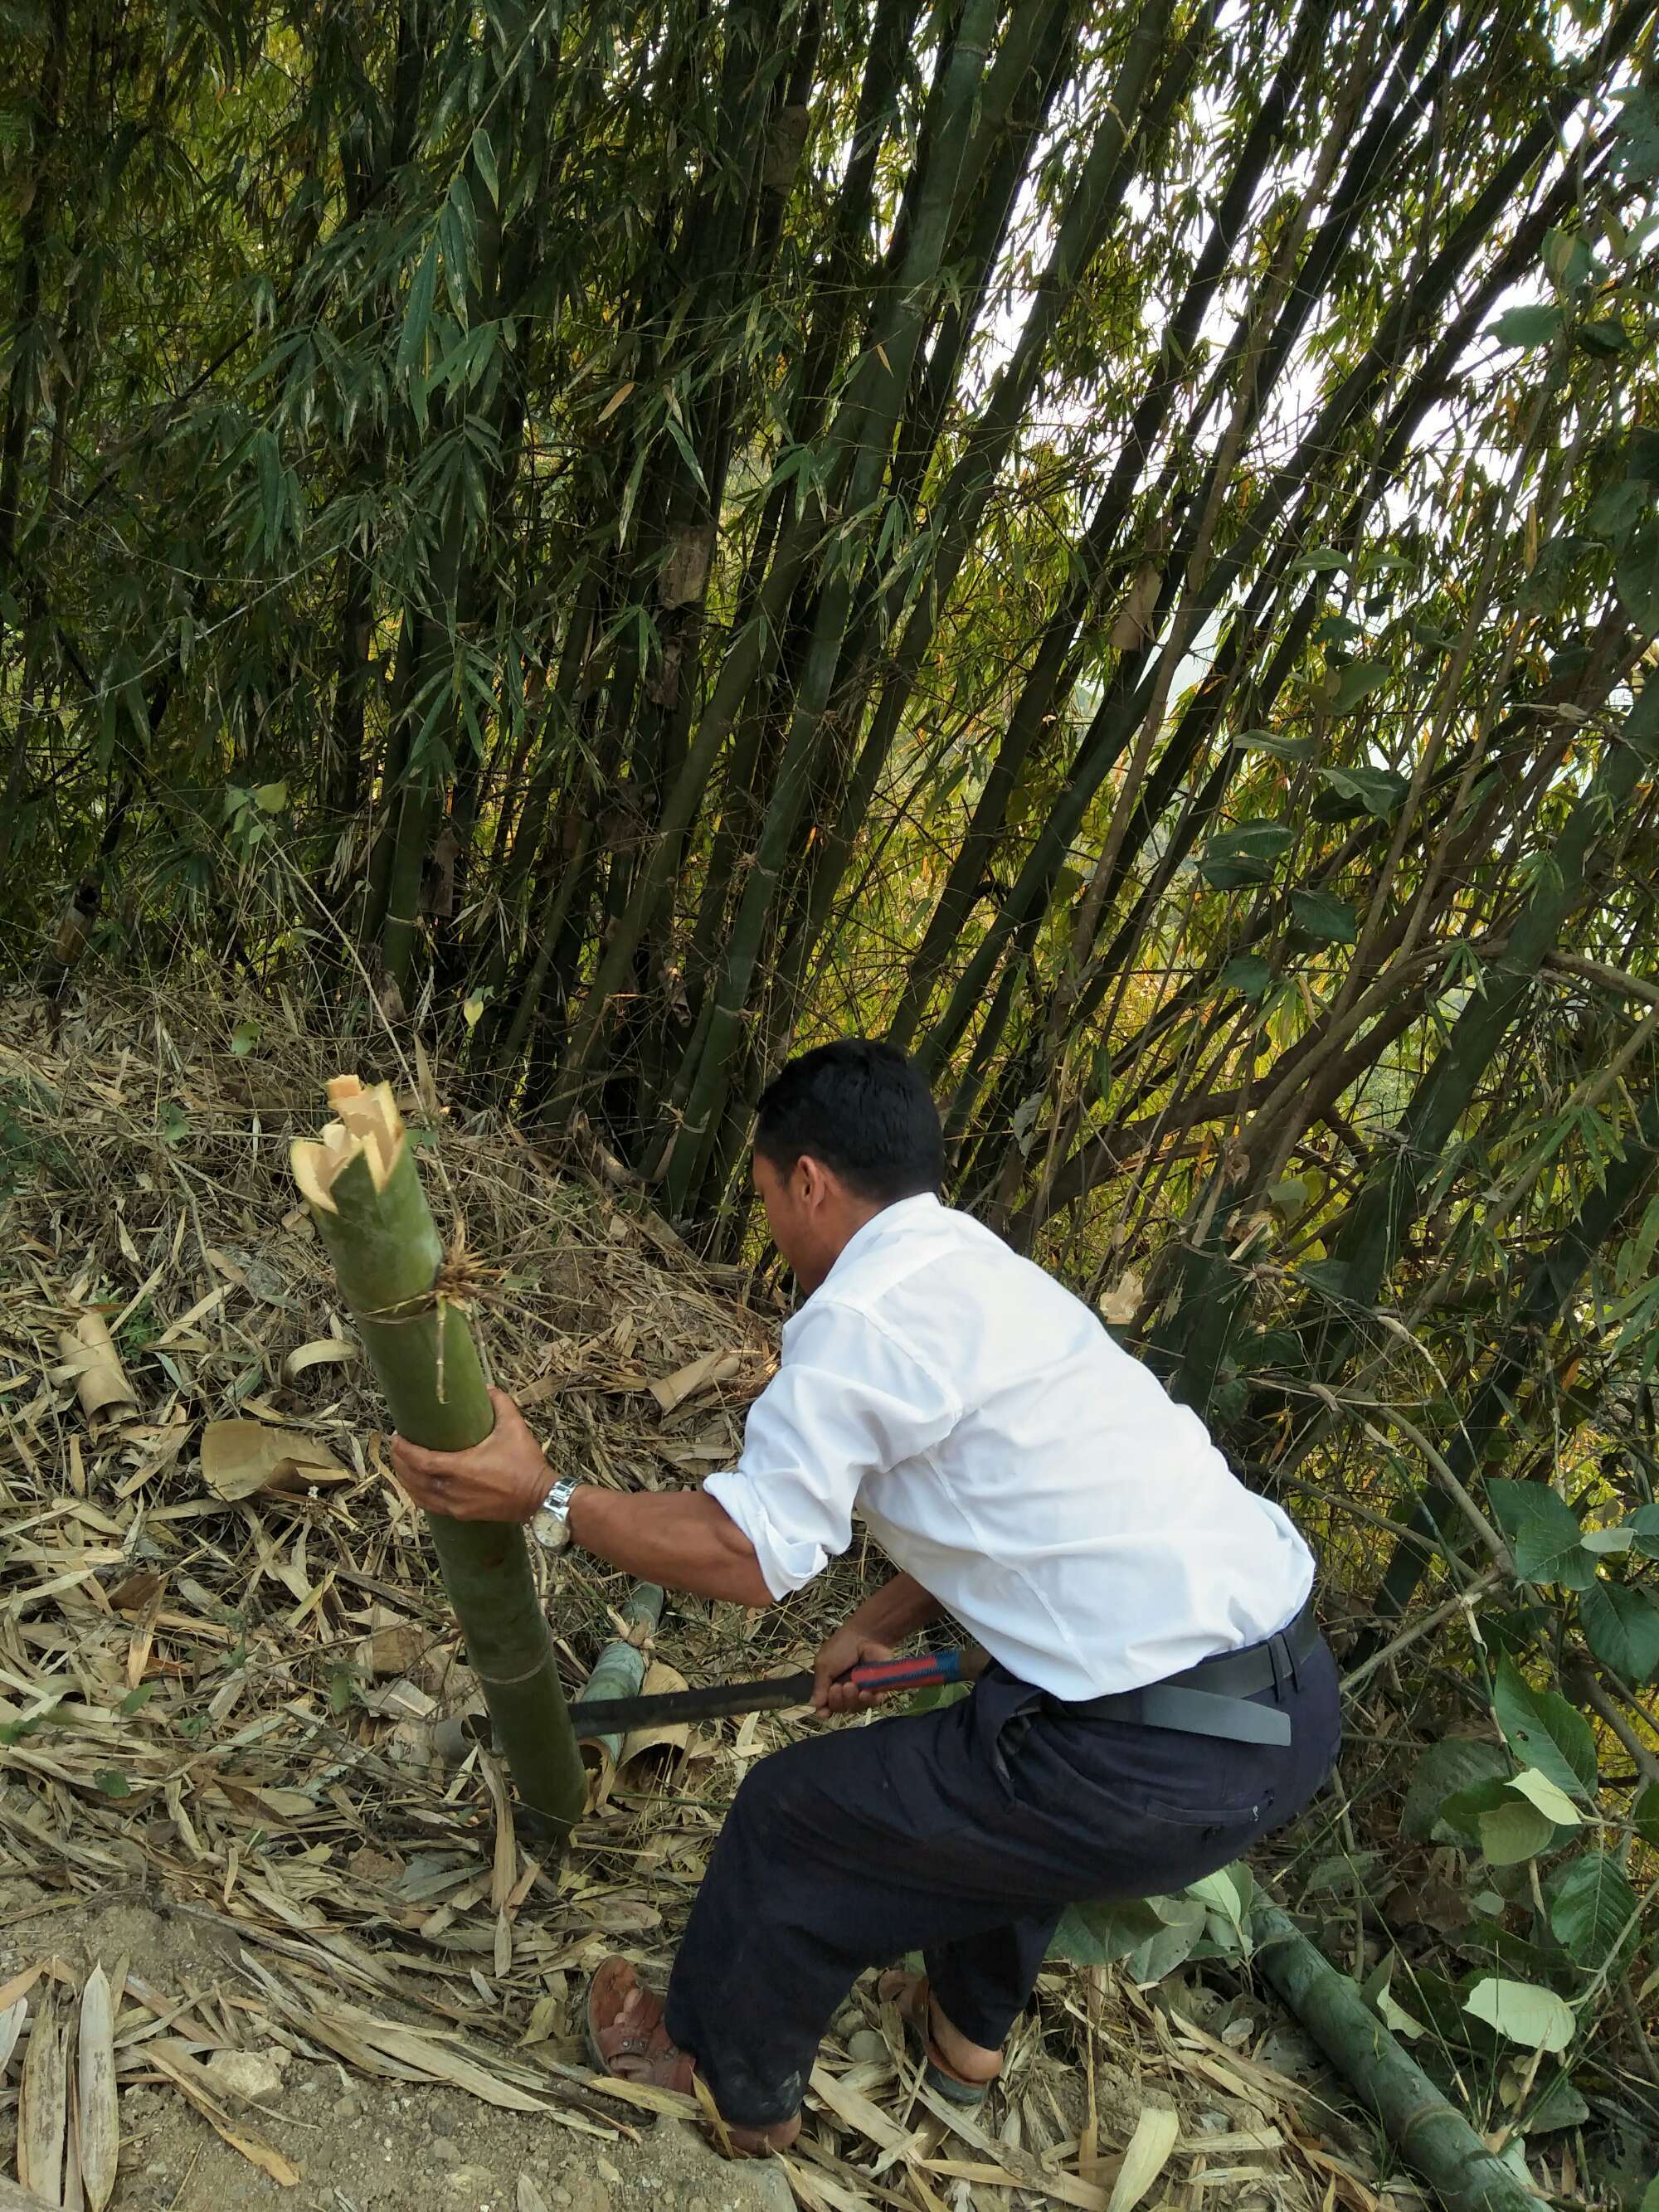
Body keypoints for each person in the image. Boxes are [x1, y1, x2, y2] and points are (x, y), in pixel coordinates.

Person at [389, 1039, 1340, 2156]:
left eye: (765, 1197)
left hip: (1148, 1754)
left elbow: (750, 1553)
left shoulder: (858, 1320)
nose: (773, 1231)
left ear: (810, 1182)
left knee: (795, 1820)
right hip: (1285, 1707)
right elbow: (998, 1511)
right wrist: (874, 1622)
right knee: (1003, 1783)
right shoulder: (987, 1275)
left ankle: (719, 2078)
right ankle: (964, 2048)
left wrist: (544, 1497)